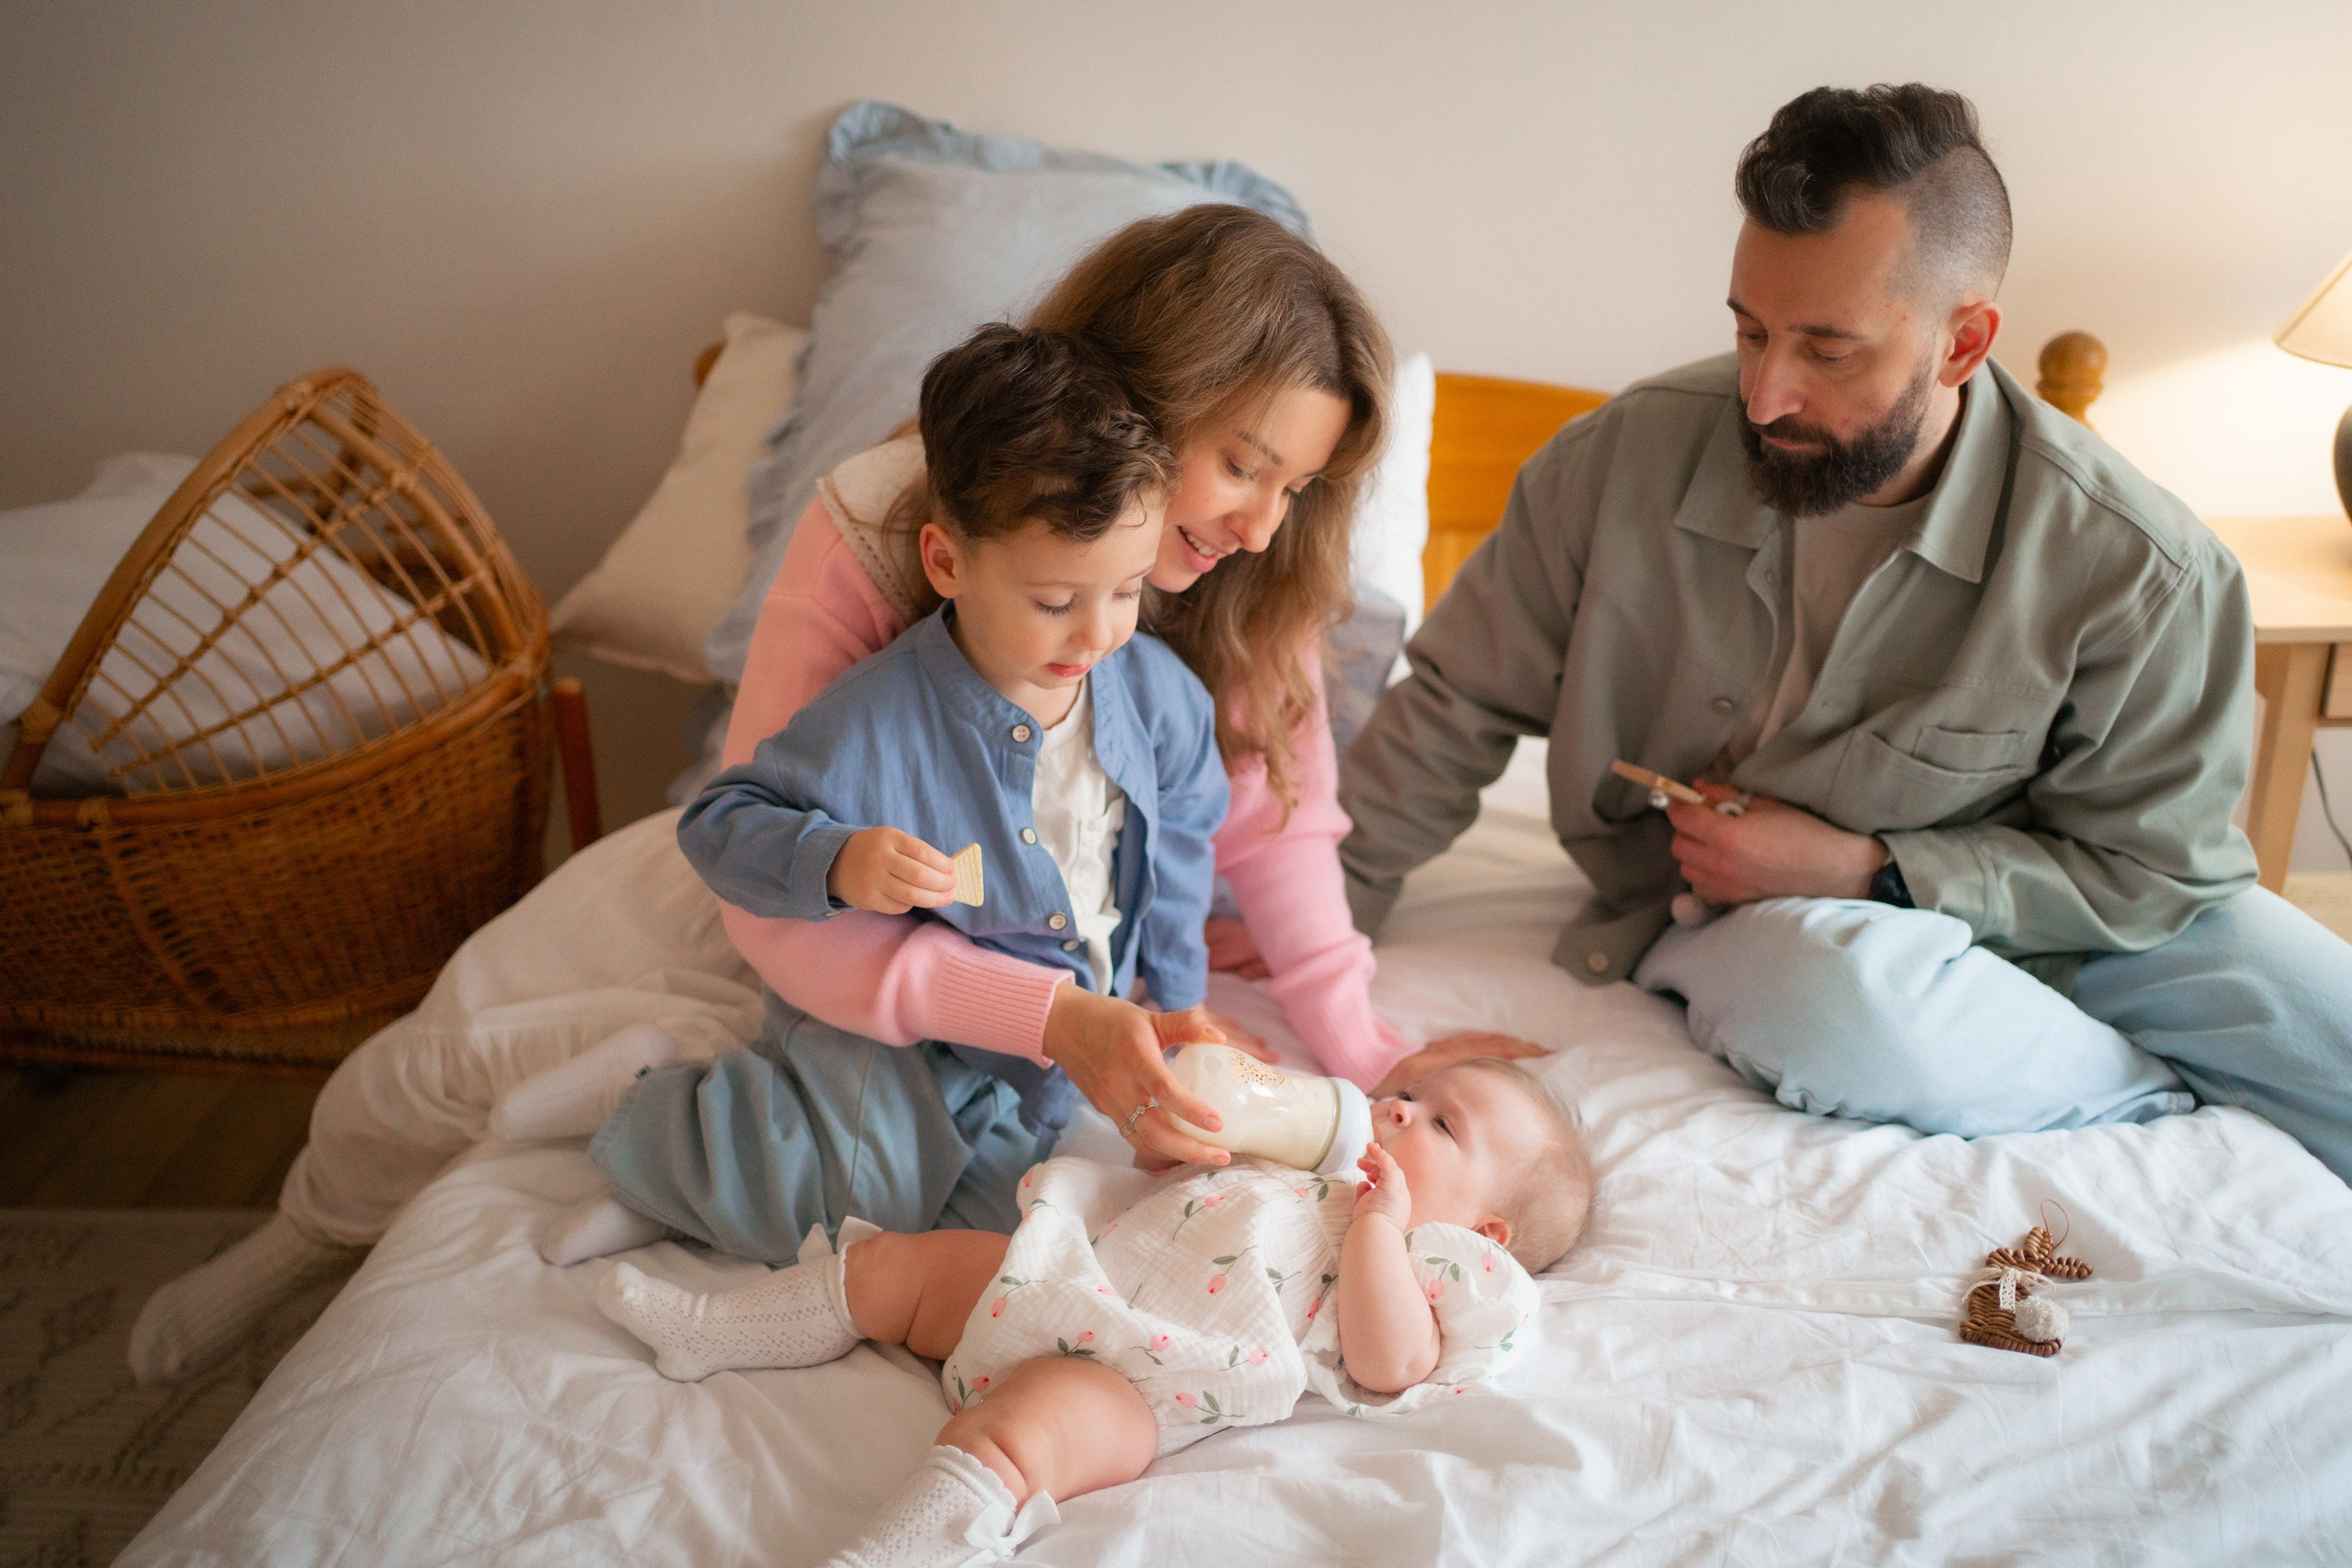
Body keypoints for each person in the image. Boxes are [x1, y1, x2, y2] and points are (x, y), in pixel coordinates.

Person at [129, 203, 1530, 1383]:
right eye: (1243, 463)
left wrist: (1355, 1054)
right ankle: (307, 1230)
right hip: (806, 884)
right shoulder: (888, 524)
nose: (1261, 521)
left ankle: (677, 1135)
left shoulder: (1252, 575)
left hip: (1035, 947)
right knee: (464, 1033)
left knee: (881, 1173)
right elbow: (772, 860)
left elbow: (1276, 831)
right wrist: (1045, 1013)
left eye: (1298, 484)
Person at [1339, 84, 2352, 1184]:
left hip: (2069, 916)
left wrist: (1873, 868)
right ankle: (2151, 1106)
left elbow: (2153, 879)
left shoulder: (2143, 569)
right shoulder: (1616, 460)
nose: (1766, 393)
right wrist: (1320, 906)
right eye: (1748, 330)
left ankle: (2058, 1050)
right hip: (1745, 909)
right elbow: (1458, 699)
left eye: (1827, 350)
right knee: (1842, 1008)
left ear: (1962, 343)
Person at [536, 322, 1229, 1263]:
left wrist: (1179, 1001)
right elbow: (718, 827)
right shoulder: (881, 718)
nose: (1098, 632)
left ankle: (736, 1148)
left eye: (1128, 590)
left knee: (999, 1234)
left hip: (1041, 1069)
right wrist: (839, 861)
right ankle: (665, 1123)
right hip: (918, 1052)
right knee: (855, 1207)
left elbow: (1185, 835)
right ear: (947, 564)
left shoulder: (1154, 696)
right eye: (1056, 601)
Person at [593, 1058, 1590, 1566]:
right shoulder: (1312, 1158)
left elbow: (1388, 1363)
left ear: (1488, 1231)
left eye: (1443, 1123)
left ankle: (891, 1553)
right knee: (904, 1266)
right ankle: (710, 1331)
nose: (1401, 1108)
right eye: (1407, 1091)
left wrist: (1382, 1223)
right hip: (1072, 1275)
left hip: (1150, 1374)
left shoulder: (1433, 1264)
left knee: (1018, 1433)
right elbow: (1164, 1176)